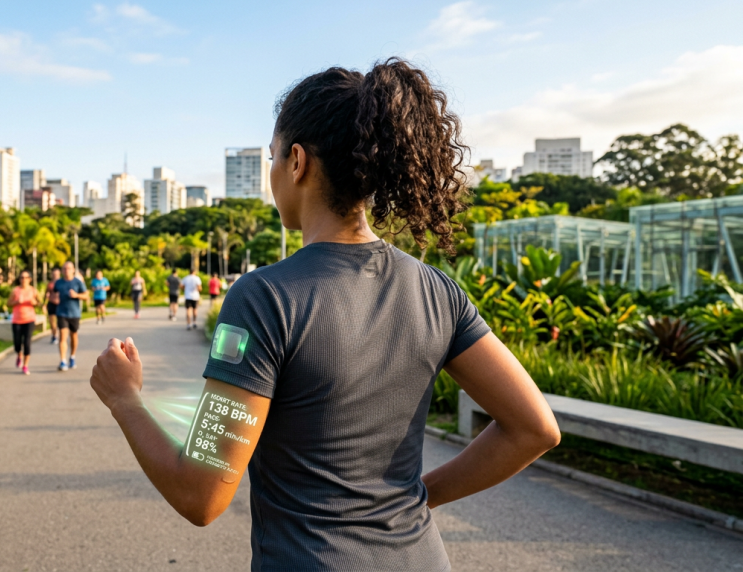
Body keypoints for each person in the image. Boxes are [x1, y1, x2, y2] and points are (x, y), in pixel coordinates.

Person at [88, 59, 560, 571]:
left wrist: (125, 399)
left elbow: (201, 495)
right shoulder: (438, 292)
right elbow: (535, 429)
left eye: (272, 156)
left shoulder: (265, 297)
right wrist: (415, 498)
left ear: (296, 162)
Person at [54, 261, 88, 371]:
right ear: (62, 270)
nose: (66, 270)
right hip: (61, 313)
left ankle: (72, 357)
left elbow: (86, 296)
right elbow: (53, 294)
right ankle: (63, 361)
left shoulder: (78, 282)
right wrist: (53, 299)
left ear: (73, 270)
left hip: (74, 313)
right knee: (63, 337)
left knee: (73, 336)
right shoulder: (58, 282)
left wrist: (76, 295)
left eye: (69, 268)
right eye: (64, 268)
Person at [8, 270, 41, 375]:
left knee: (27, 342)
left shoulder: (33, 291)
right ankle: (19, 354)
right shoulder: (15, 290)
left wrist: (34, 303)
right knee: (17, 343)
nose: (23, 279)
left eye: (26, 277)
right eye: (22, 277)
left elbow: (39, 303)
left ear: (30, 279)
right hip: (17, 320)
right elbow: (8, 303)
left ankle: (25, 365)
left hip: (29, 319)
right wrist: (17, 301)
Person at [44, 267, 62, 343]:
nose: (55, 275)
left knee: (61, 322)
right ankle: (54, 336)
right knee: (52, 322)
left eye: (57, 274)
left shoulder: (63, 283)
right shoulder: (50, 284)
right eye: (54, 274)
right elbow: (46, 294)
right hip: (51, 303)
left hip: (61, 304)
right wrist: (44, 305)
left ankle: (61, 336)